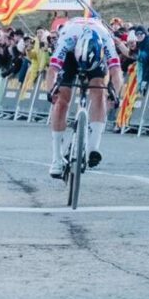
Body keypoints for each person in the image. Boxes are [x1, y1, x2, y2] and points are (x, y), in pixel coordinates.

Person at [45, 16, 123, 179]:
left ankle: (93, 147)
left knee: (99, 90)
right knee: (62, 98)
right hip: (71, 56)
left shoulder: (106, 39)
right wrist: (51, 90)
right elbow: (52, 70)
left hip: (95, 57)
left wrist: (115, 94)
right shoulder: (67, 39)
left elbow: (116, 71)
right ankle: (56, 158)